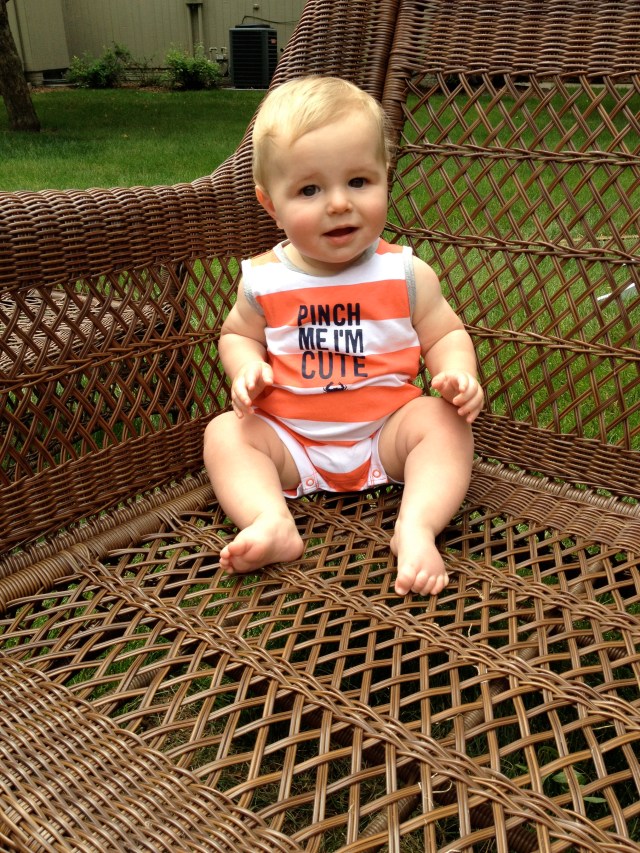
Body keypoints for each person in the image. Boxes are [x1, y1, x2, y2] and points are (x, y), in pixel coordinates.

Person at [203, 76, 484, 596]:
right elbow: (235, 335)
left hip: (386, 432)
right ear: (271, 204)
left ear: (385, 178)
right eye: (310, 190)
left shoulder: (404, 272)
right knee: (225, 433)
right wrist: (246, 367)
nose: (339, 204)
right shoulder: (264, 280)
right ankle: (270, 520)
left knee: (444, 423)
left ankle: (417, 525)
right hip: (292, 438)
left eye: (359, 181)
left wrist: (457, 373)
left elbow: (445, 331)